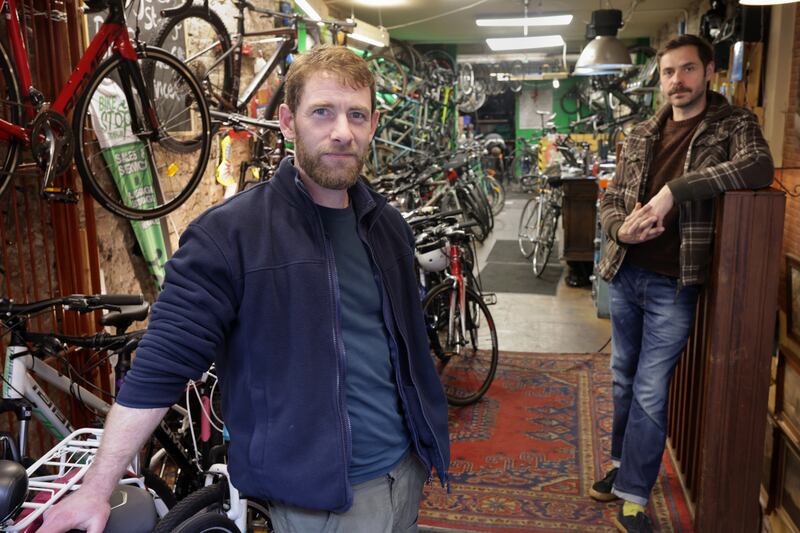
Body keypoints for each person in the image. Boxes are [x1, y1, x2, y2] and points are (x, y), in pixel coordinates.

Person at [38, 45, 450, 533]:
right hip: (320, 501)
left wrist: (422, 444)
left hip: (406, 471)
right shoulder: (230, 236)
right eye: (322, 112)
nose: (342, 131)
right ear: (287, 122)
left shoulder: (388, 227)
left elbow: (401, 348)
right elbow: (161, 365)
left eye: (356, 115)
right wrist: (95, 489)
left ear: (373, 125)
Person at [593, 34, 773, 533]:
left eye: (688, 70)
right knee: (623, 378)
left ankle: (633, 493)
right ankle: (618, 463)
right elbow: (611, 199)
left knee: (650, 387)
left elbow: (759, 167)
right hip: (626, 271)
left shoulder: (733, 123)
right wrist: (617, 228)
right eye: (669, 72)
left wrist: (676, 189)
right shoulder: (641, 131)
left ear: (709, 71)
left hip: (675, 280)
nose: (678, 81)